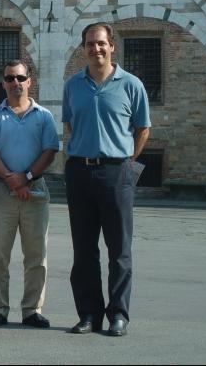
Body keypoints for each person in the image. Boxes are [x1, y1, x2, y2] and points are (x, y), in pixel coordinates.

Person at [62, 22, 150, 337]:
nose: (95, 49)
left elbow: (143, 129)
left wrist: (126, 161)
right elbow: (70, 125)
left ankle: (118, 315)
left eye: (101, 43)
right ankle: (88, 314)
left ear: (112, 45)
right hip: (80, 171)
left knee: (119, 249)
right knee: (84, 249)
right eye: (89, 44)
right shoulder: (73, 85)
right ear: (83, 48)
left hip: (116, 171)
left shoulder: (132, 85)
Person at [0, 60, 59, 329]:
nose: (16, 83)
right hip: (2, 191)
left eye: (20, 78)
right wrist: (12, 181)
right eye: (10, 78)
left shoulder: (44, 116)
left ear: (29, 81)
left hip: (35, 190)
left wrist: (25, 178)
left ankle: (32, 309)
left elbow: (49, 151)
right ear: (3, 82)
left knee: (37, 255)